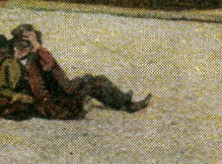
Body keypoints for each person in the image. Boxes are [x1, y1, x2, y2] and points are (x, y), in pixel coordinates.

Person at [13, 24, 151, 116]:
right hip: (60, 106)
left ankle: (123, 101)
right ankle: (128, 105)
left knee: (92, 79)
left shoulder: (31, 61)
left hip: (57, 99)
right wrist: (37, 46)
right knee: (97, 82)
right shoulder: (35, 61)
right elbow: (64, 85)